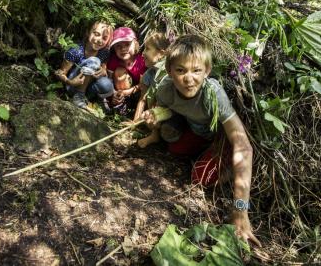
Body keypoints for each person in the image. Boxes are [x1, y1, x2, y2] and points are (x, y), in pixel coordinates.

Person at [142, 34, 261, 247]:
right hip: (197, 131)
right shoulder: (166, 89)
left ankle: (227, 167)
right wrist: (155, 119)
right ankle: (205, 156)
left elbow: (243, 146)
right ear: (169, 71)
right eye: (180, 70)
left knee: (200, 178)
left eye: (196, 70)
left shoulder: (214, 94)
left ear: (207, 71)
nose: (189, 78)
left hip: (220, 137)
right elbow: (166, 110)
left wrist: (240, 209)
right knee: (175, 148)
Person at [55, 21, 114, 110]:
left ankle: (92, 99)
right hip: (73, 85)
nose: (99, 40)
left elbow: (104, 63)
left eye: (104, 38)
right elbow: (60, 73)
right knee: (94, 60)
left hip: (88, 89)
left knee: (107, 85)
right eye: (96, 34)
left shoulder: (104, 52)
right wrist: (70, 82)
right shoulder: (76, 50)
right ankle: (78, 96)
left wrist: (103, 70)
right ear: (88, 32)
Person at [133, 32, 169, 148]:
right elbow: (142, 99)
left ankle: (156, 135)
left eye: (147, 49)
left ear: (161, 54)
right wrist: (135, 122)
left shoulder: (168, 72)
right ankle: (154, 133)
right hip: (153, 114)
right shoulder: (148, 74)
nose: (143, 53)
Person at [107, 27, 147, 113]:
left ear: (135, 44)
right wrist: (114, 93)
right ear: (114, 48)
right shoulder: (114, 60)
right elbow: (109, 79)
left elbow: (142, 84)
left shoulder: (141, 61)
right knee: (119, 72)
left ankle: (126, 102)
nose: (123, 49)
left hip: (135, 91)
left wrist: (125, 93)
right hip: (117, 89)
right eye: (118, 46)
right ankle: (117, 102)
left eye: (127, 44)